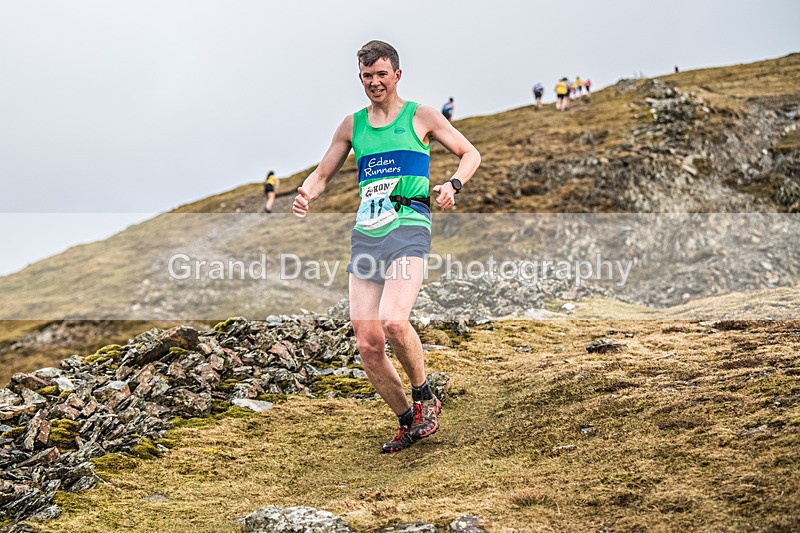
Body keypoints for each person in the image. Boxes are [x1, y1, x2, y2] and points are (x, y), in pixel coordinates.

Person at [292, 40, 480, 453]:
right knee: (367, 341)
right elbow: (323, 175)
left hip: (409, 225)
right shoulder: (351, 125)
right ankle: (406, 421)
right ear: (359, 77)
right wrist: (306, 192)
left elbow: (470, 153)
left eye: (381, 74)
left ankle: (425, 395)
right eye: (366, 76)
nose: (374, 82)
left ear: (397, 74)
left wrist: (452, 184)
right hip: (367, 233)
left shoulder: (422, 116)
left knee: (394, 321)